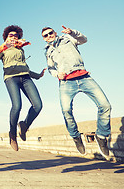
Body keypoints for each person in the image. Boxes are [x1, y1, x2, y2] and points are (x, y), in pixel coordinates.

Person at [42, 25, 111, 157]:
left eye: (50, 33)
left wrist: (72, 32)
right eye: (45, 35)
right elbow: (50, 68)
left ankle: (101, 136)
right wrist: (57, 74)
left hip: (84, 77)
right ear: (44, 39)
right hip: (66, 83)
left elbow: (84, 39)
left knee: (105, 105)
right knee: (66, 110)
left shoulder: (68, 39)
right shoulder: (48, 51)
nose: (49, 36)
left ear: (55, 33)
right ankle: (76, 137)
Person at [0, 25, 45, 151]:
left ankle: (24, 125)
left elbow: (25, 68)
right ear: (6, 38)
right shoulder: (3, 49)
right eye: (11, 35)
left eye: (16, 35)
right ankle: (12, 135)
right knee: (17, 106)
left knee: (38, 105)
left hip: (26, 78)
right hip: (11, 78)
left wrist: (38, 75)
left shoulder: (21, 50)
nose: (13, 37)